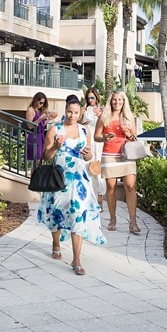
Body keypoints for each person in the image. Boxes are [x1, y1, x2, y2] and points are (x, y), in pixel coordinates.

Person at [37, 96, 106, 275]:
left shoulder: (85, 131)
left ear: (80, 112)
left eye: (76, 113)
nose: (72, 115)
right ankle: (56, 242)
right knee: (55, 213)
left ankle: (76, 260)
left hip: (79, 180)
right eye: (69, 112)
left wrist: (87, 154)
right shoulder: (55, 129)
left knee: (77, 214)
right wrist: (55, 147)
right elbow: (45, 156)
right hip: (58, 179)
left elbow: (88, 157)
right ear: (65, 110)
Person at [94, 89, 140, 234]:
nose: (117, 102)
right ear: (110, 101)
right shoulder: (104, 116)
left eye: (120, 100)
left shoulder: (128, 116)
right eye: (114, 100)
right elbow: (96, 136)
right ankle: (112, 219)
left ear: (124, 101)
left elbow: (135, 138)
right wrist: (104, 138)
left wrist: (129, 134)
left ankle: (133, 222)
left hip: (126, 154)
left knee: (131, 186)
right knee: (111, 187)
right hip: (109, 154)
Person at [81, 88, 104, 208]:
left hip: (98, 141)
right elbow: (80, 123)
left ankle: (99, 200)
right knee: (87, 168)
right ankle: (89, 199)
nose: (90, 100)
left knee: (98, 169)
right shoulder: (85, 109)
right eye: (89, 98)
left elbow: (105, 125)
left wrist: (101, 116)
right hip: (87, 139)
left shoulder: (101, 109)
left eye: (92, 98)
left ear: (96, 97)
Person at [25, 92, 52, 165]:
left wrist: (49, 118)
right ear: (36, 100)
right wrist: (40, 119)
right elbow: (30, 126)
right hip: (34, 136)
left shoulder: (40, 111)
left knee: (39, 161)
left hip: (41, 136)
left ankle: (37, 176)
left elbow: (42, 125)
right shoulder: (31, 110)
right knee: (36, 161)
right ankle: (34, 176)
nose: (41, 105)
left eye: (43, 103)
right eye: (40, 103)